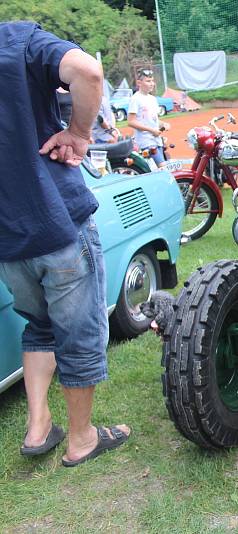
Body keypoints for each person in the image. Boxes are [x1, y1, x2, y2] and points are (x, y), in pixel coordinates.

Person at [0, 22, 130, 466]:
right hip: (57, 222)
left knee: (39, 325)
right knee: (79, 336)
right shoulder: (15, 41)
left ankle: (39, 427)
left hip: (8, 239)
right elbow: (89, 74)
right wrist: (77, 132)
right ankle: (81, 439)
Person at [127, 69, 170, 167]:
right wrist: (151, 130)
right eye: (148, 81)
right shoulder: (135, 99)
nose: (152, 84)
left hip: (157, 140)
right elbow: (131, 121)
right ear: (139, 83)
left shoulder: (152, 99)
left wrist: (163, 124)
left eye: (152, 81)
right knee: (163, 167)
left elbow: (153, 120)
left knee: (161, 167)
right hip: (145, 141)